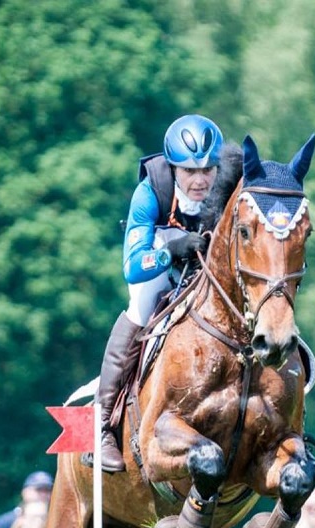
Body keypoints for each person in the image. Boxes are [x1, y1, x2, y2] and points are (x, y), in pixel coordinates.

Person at [98, 113, 224, 472]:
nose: (200, 180)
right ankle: (102, 425)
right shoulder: (151, 190)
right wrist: (172, 250)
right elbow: (132, 266)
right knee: (140, 306)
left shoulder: (230, 185)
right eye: (190, 171)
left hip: (208, 269)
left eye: (208, 170)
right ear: (173, 168)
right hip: (158, 265)